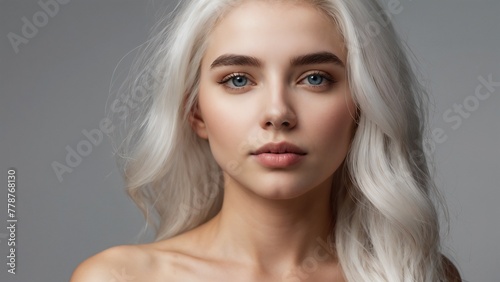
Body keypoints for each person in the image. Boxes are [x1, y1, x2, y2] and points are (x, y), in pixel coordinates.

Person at [71, 0, 461, 281]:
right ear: (195, 111)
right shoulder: (118, 278)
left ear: (362, 106)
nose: (277, 112)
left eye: (315, 78)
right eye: (238, 79)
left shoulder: (419, 274)